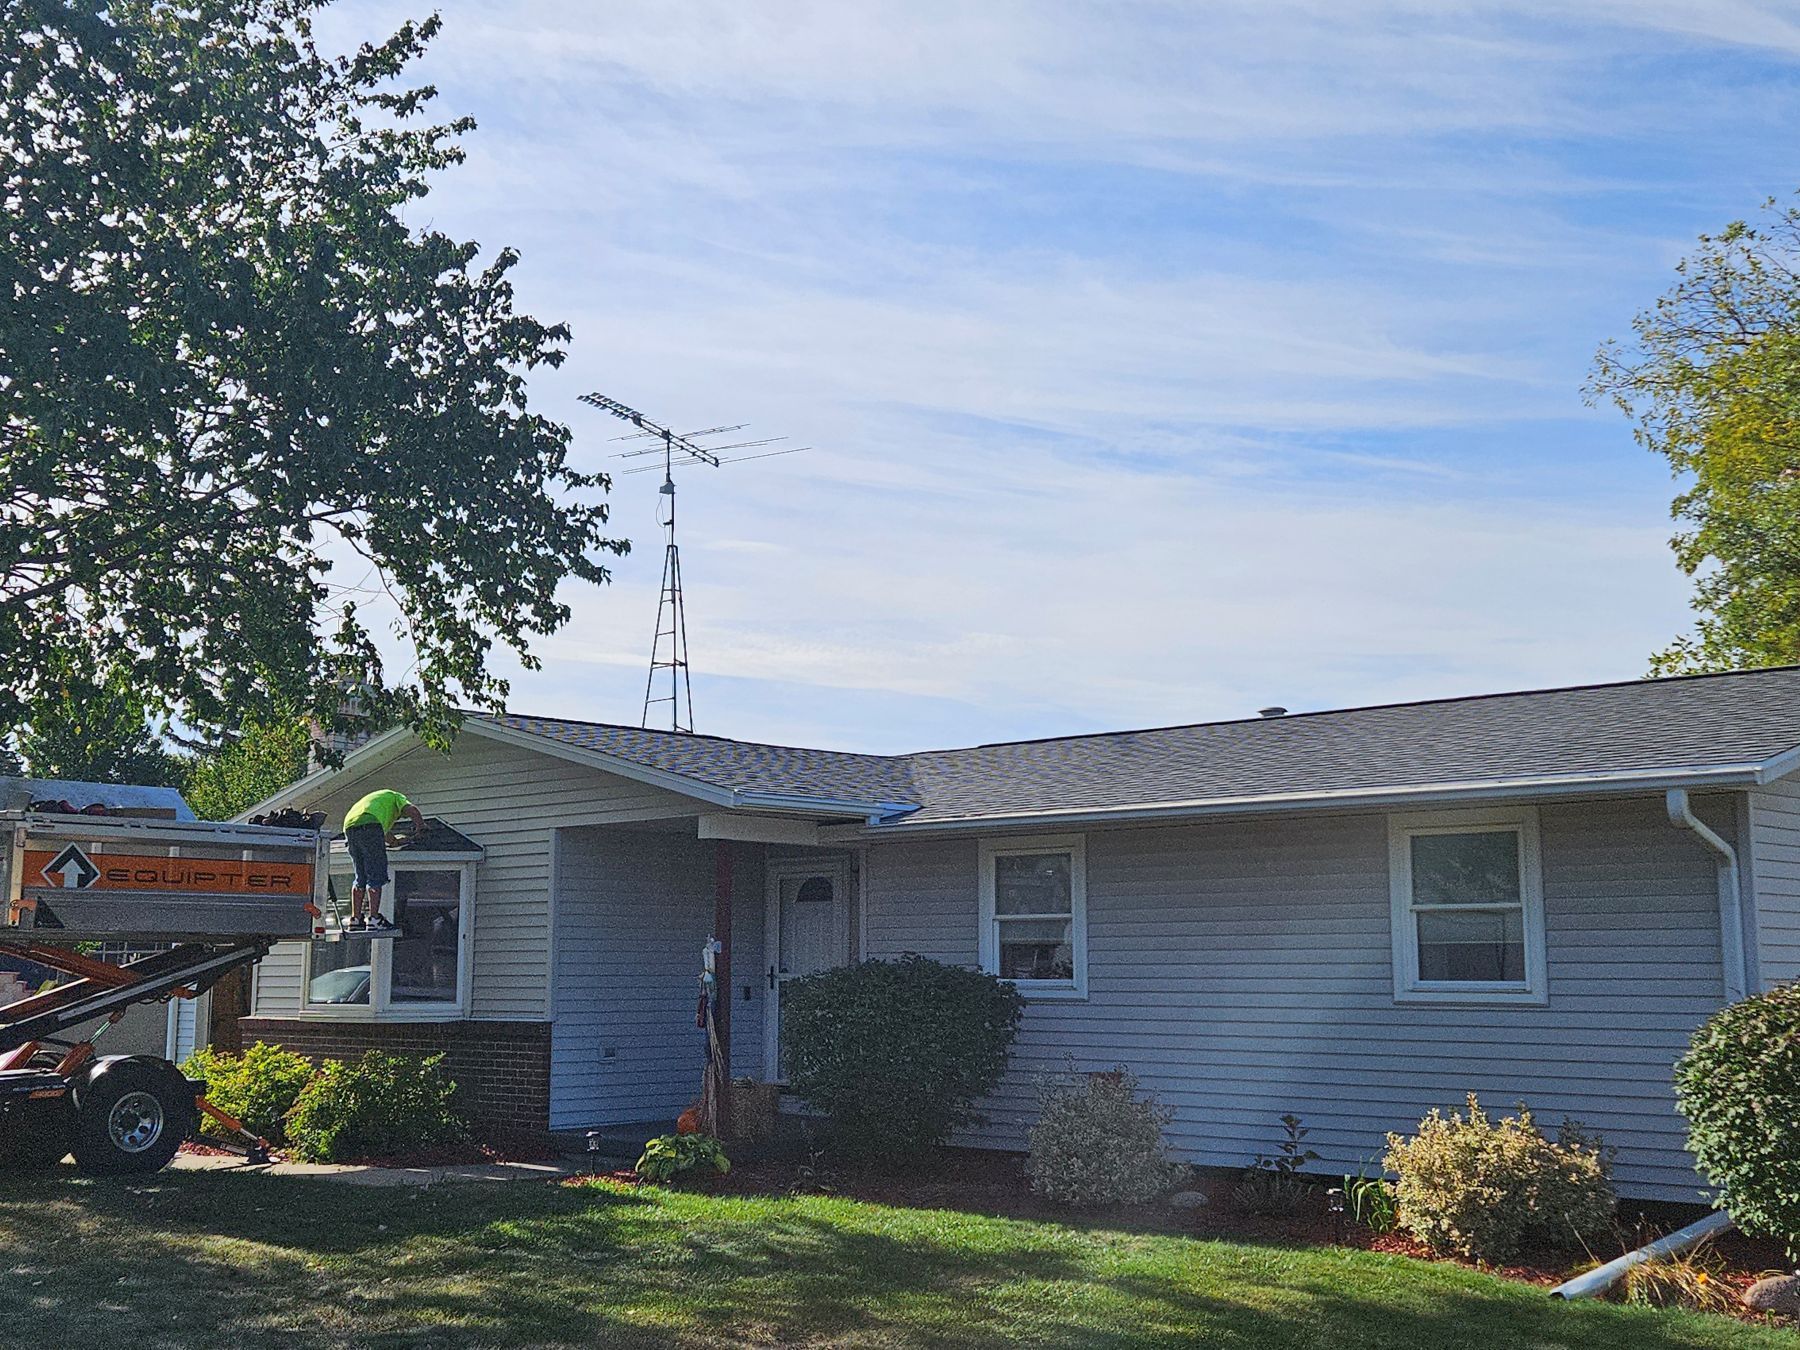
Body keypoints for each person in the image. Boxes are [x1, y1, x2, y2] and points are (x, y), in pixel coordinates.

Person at [341, 788, 425, 933]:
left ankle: (355, 919)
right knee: (375, 874)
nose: (399, 818)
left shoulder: (377, 804)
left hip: (350, 826)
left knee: (360, 876)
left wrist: (396, 842)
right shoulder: (396, 797)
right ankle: (374, 919)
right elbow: (413, 810)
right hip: (371, 825)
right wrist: (421, 828)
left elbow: (385, 835)